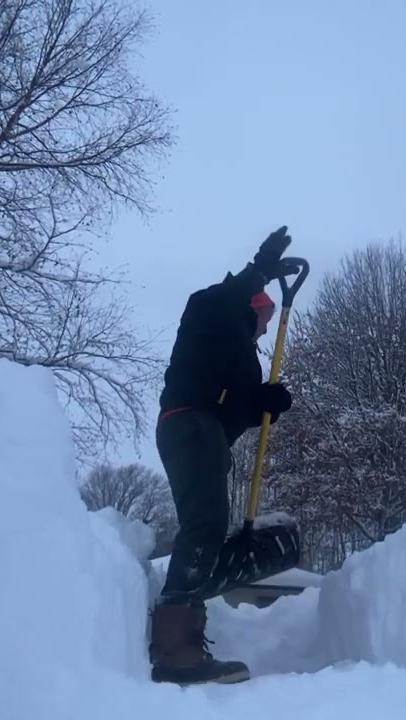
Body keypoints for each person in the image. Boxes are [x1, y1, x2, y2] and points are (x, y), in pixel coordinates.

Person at [147, 226, 297, 685]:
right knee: (205, 524)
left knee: (207, 528)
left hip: (203, 430)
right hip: (187, 421)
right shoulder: (208, 311)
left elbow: (237, 409)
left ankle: (183, 629)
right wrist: (262, 268)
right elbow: (223, 298)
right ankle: (175, 653)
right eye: (264, 321)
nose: (264, 330)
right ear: (254, 306)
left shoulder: (241, 355)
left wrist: (266, 405)